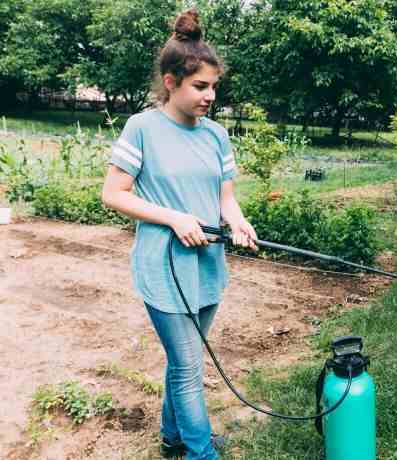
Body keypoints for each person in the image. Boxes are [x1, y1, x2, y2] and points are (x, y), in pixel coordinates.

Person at [101, 9, 256, 460]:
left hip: (208, 266)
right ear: (171, 82)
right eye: (200, 86)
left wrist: (238, 222)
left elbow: (225, 198)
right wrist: (173, 217)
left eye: (213, 87)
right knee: (189, 366)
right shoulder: (142, 128)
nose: (210, 96)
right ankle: (200, 451)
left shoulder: (216, 135)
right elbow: (113, 194)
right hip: (163, 267)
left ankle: (175, 438)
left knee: (184, 362)